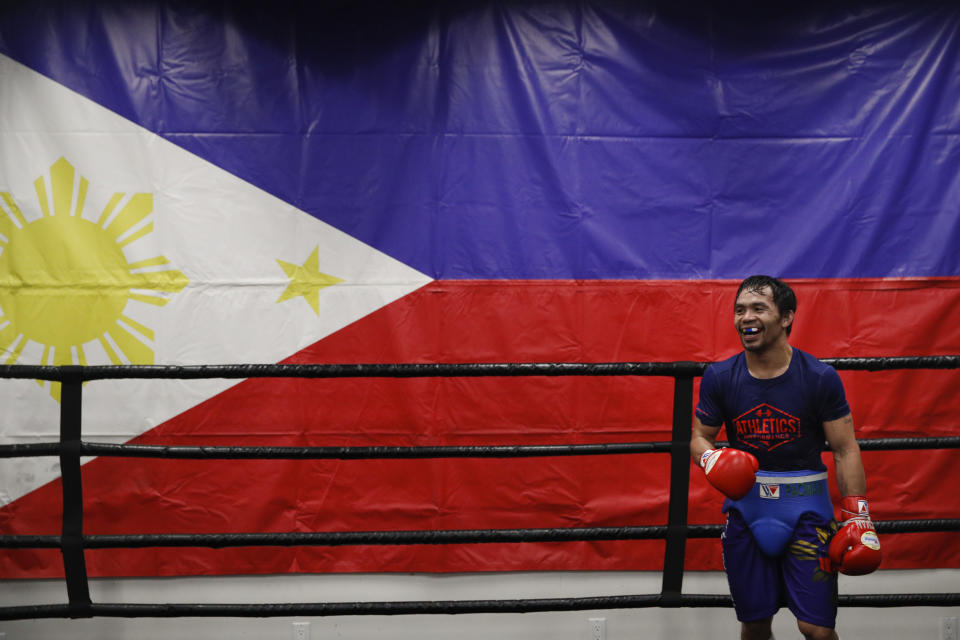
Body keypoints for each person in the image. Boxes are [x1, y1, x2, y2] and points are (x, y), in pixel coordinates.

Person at [690, 275, 881, 640]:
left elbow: (845, 448)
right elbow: (700, 437)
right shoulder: (720, 376)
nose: (747, 317)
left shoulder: (819, 377)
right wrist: (711, 459)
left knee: (817, 629)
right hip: (747, 510)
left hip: (807, 511)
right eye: (740, 309)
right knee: (755, 623)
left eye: (759, 308)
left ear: (787, 317)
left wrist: (859, 516)